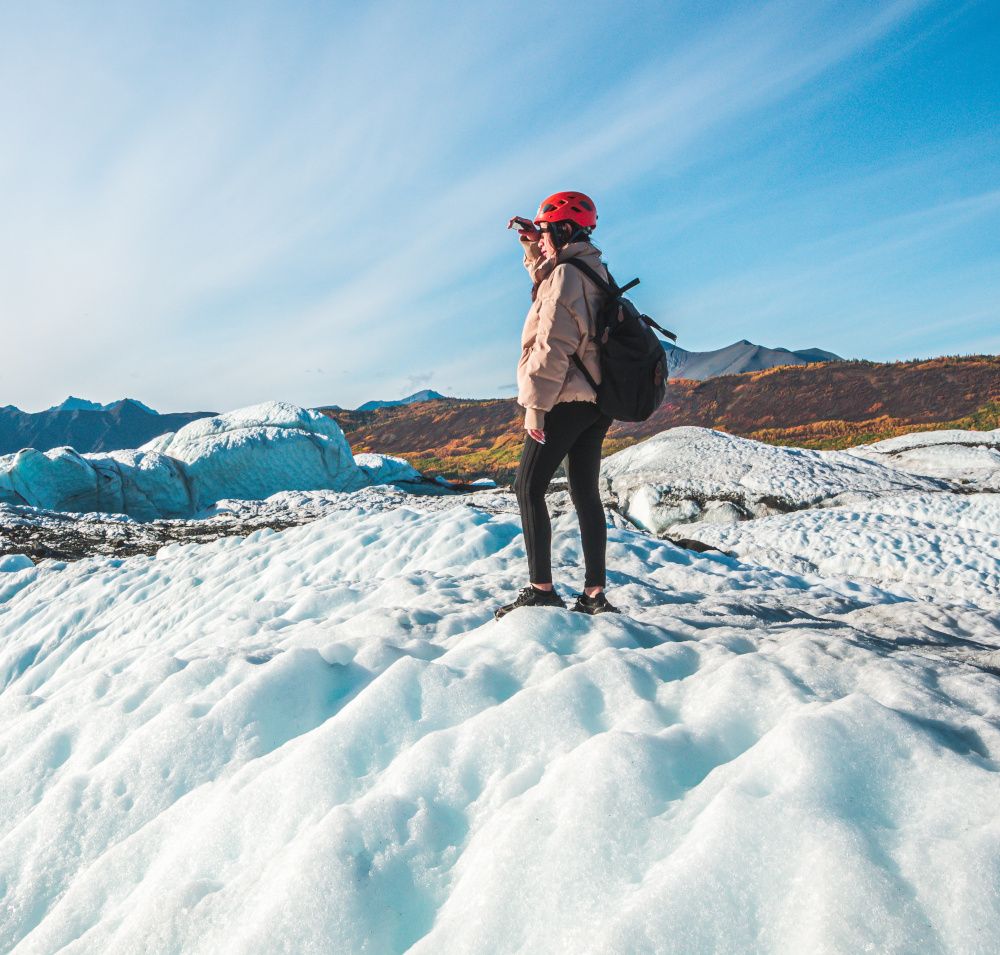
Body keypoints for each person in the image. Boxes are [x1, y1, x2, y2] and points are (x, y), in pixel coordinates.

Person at [495, 191, 621, 619]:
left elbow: (552, 347)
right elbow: (547, 276)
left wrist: (535, 407)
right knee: (585, 492)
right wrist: (533, 242)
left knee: (527, 488)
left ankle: (542, 589)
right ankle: (593, 595)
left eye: (547, 230)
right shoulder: (590, 267)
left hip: (565, 399)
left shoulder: (568, 275)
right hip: (595, 401)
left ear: (565, 230)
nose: (542, 238)